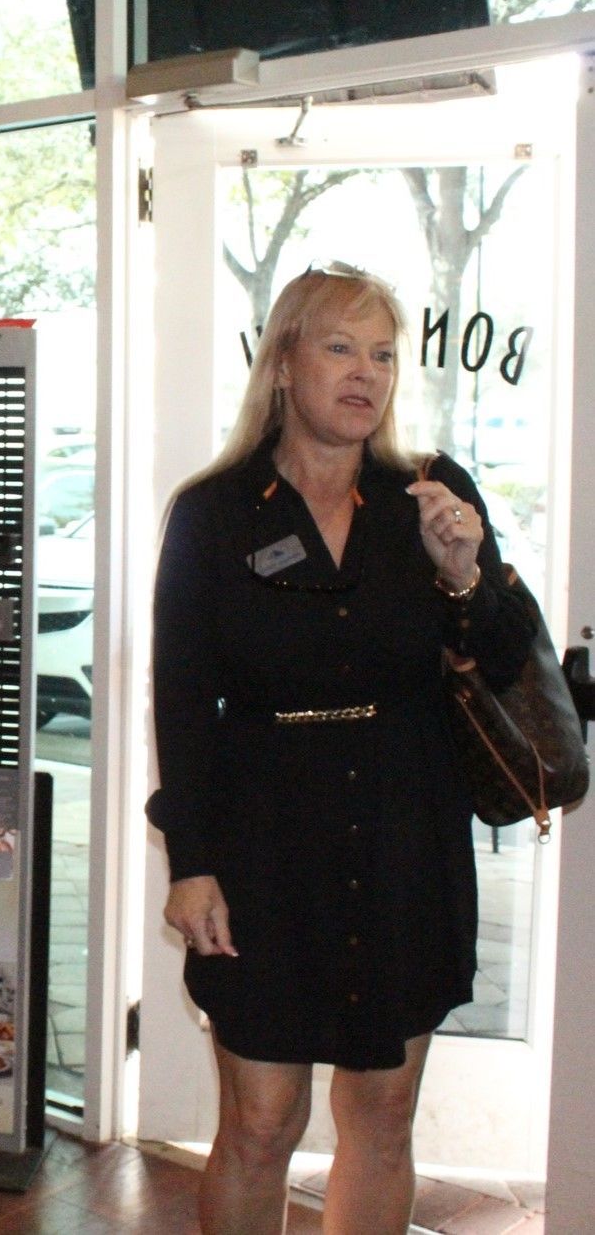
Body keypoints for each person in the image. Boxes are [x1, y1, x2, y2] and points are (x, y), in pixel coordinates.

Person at [146, 263, 535, 1234]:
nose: (364, 374)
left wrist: (462, 574)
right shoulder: (213, 511)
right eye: (338, 347)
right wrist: (189, 864)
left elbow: (503, 654)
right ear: (282, 363)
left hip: (403, 834)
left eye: (380, 355)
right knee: (260, 1121)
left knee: (382, 1113)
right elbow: (181, 700)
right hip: (262, 844)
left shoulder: (428, 495)